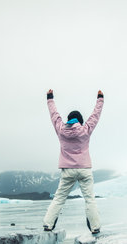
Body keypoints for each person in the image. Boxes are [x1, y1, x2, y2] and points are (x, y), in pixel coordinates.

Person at [43, 89, 104, 234]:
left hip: (67, 169)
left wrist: (50, 98)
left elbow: (54, 115)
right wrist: (100, 99)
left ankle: (48, 224)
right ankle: (95, 227)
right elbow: (95, 116)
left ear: (69, 119)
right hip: (84, 168)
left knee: (59, 198)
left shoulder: (61, 130)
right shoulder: (85, 130)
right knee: (89, 198)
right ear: (80, 121)